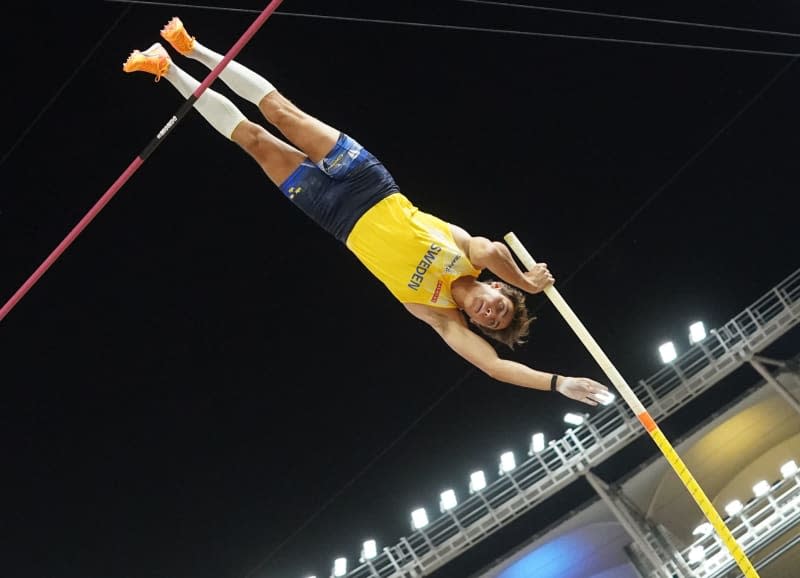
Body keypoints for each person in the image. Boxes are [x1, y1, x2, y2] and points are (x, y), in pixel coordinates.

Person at [123, 17, 610, 406]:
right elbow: (496, 247)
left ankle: (167, 70)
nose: (489, 311)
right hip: (368, 182)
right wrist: (527, 282)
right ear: (495, 287)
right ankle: (194, 47)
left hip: (332, 214)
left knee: (253, 139)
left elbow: (495, 368)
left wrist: (558, 383)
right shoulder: (472, 256)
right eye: (499, 305)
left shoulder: (438, 316)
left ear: (479, 325)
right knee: (281, 113)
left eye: (491, 321)